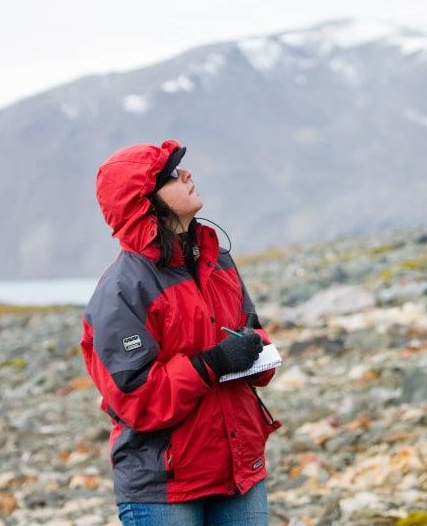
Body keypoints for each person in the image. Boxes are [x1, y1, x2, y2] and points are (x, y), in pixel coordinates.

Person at [80, 139, 281, 526]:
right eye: (172, 174)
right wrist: (215, 362)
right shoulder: (122, 291)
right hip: (164, 489)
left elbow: (251, 331)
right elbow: (137, 398)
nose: (187, 174)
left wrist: (258, 352)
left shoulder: (217, 260)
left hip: (240, 471)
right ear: (145, 201)